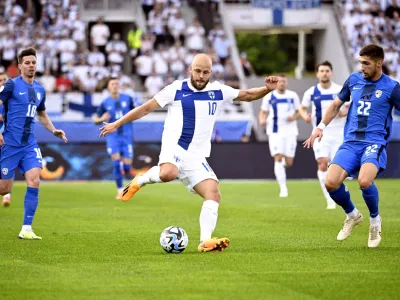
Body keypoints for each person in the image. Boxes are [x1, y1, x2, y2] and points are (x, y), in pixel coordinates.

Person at [100, 53, 278, 252]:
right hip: (175, 146)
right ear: (190, 70)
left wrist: (266, 89)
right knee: (168, 173)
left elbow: (247, 95)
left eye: (206, 72)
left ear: (211, 72)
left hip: (196, 155)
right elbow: (146, 108)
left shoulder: (217, 90)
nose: (201, 76)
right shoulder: (175, 89)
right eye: (198, 71)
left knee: (213, 192)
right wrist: (117, 123)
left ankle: (205, 241)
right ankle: (139, 180)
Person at [304, 44, 400, 248]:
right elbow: (335, 105)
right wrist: (320, 127)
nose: (362, 67)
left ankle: (375, 221)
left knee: (364, 181)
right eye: (360, 62)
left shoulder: (392, 87)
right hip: (351, 143)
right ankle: (353, 215)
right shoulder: (354, 80)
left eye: (366, 63)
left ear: (379, 63)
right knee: (330, 182)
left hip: (374, 143)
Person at [0, 48, 68, 239]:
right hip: (10, 144)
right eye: (27, 63)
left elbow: (42, 115)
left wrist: (54, 130)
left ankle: (26, 229)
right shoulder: (11, 85)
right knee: (4, 189)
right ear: (20, 66)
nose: (31, 66)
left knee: (34, 180)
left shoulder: (40, 89)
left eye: (33, 62)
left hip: (29, 144)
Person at [300, 61, 349, 209]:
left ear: (331, 73)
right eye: (321, 71)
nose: (324, 73)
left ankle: (339, 192)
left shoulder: (340, 90)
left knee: (337, 170)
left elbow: (350, 107)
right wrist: (305, 116)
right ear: (317, 74)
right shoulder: (311, 92)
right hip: (320, 134)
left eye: (327, 71)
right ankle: (329, 199)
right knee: (322, 162)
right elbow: (301, 109)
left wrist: (344, 112)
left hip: (339, 134)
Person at [94, 77, 137, 199]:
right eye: (112, 84)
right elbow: (95, 119)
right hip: (113, 137)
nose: (115, 86)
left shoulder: (128, 99)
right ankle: (120, 190)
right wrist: (102, 119)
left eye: (117, 83)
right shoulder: (105, 102)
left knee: (128, 168)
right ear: (108, 86)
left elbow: (136, 112)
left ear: (120, 86)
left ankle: (127, 182)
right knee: (116, 164)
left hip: (127, 136)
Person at [259, 75, 300, 197]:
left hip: (290, 131)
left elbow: (299, 111)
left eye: (284, 81)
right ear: (276, 83)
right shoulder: (269, 96)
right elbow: (263, 112)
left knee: (289, 162)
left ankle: (282, 164)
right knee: (278, 157)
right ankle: (283, 189)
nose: (282, 83)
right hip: (275, 131)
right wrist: (262, 119)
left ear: (286, 83)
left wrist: (294, 117)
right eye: (280, 81)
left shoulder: (293, 96)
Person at [0, 71, 11, 207]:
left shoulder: (9, 99)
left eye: (3, 80)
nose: (1, 82)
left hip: (6, 136)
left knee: (7, 166)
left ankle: (7, 195)